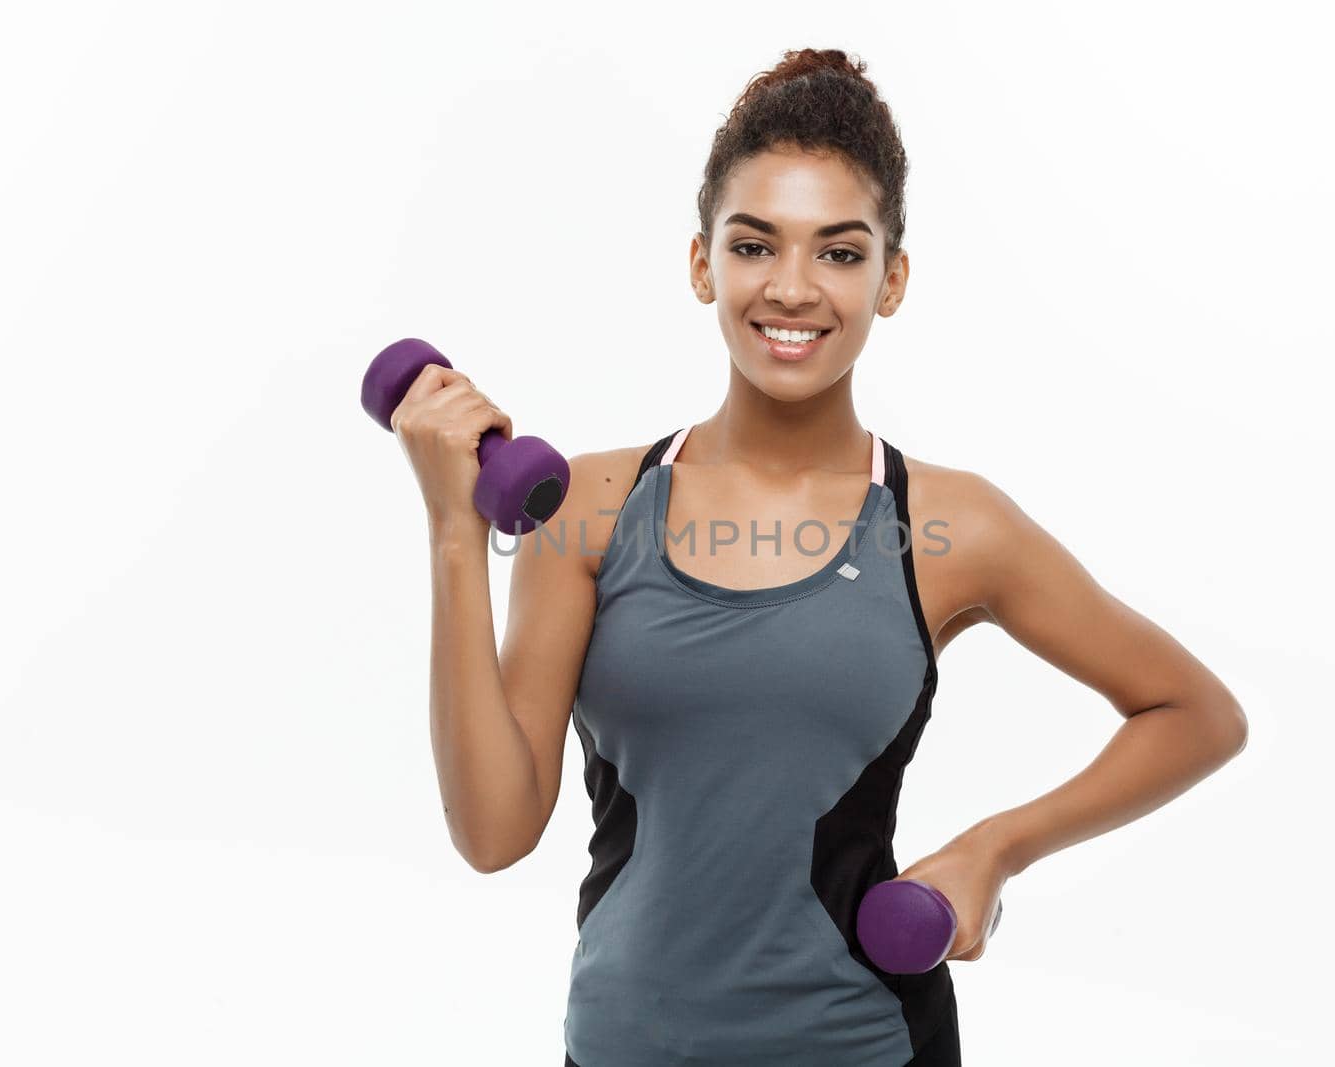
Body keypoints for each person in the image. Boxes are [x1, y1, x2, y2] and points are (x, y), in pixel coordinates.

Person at [390, 47, 1249, 1067]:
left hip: (862, 1042)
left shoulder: (950, 525)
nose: (791, 289)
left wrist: (993, 850)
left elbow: (1195, 714)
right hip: (623, 1043)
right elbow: (493, 833)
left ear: (891, 279)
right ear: (703, 262)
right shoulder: (587, 507)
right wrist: (454, 533)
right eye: (755, 245)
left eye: (838, 253)